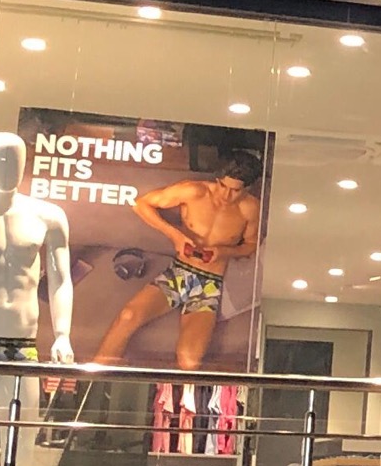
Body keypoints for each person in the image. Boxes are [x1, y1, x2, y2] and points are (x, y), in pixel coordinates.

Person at [92, 151, 265, 368]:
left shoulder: (250, 208)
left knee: (189, 361)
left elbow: (250, 245)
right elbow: (141, 204)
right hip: (179, 272)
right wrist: (175, 236)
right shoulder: (194, 191)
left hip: (209, 283)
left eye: (235, 190)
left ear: (247, 188)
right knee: (128, 317)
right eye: (223, 186)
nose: (226, 195)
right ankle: (93, 378)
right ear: (218, 178)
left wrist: (223, 252)